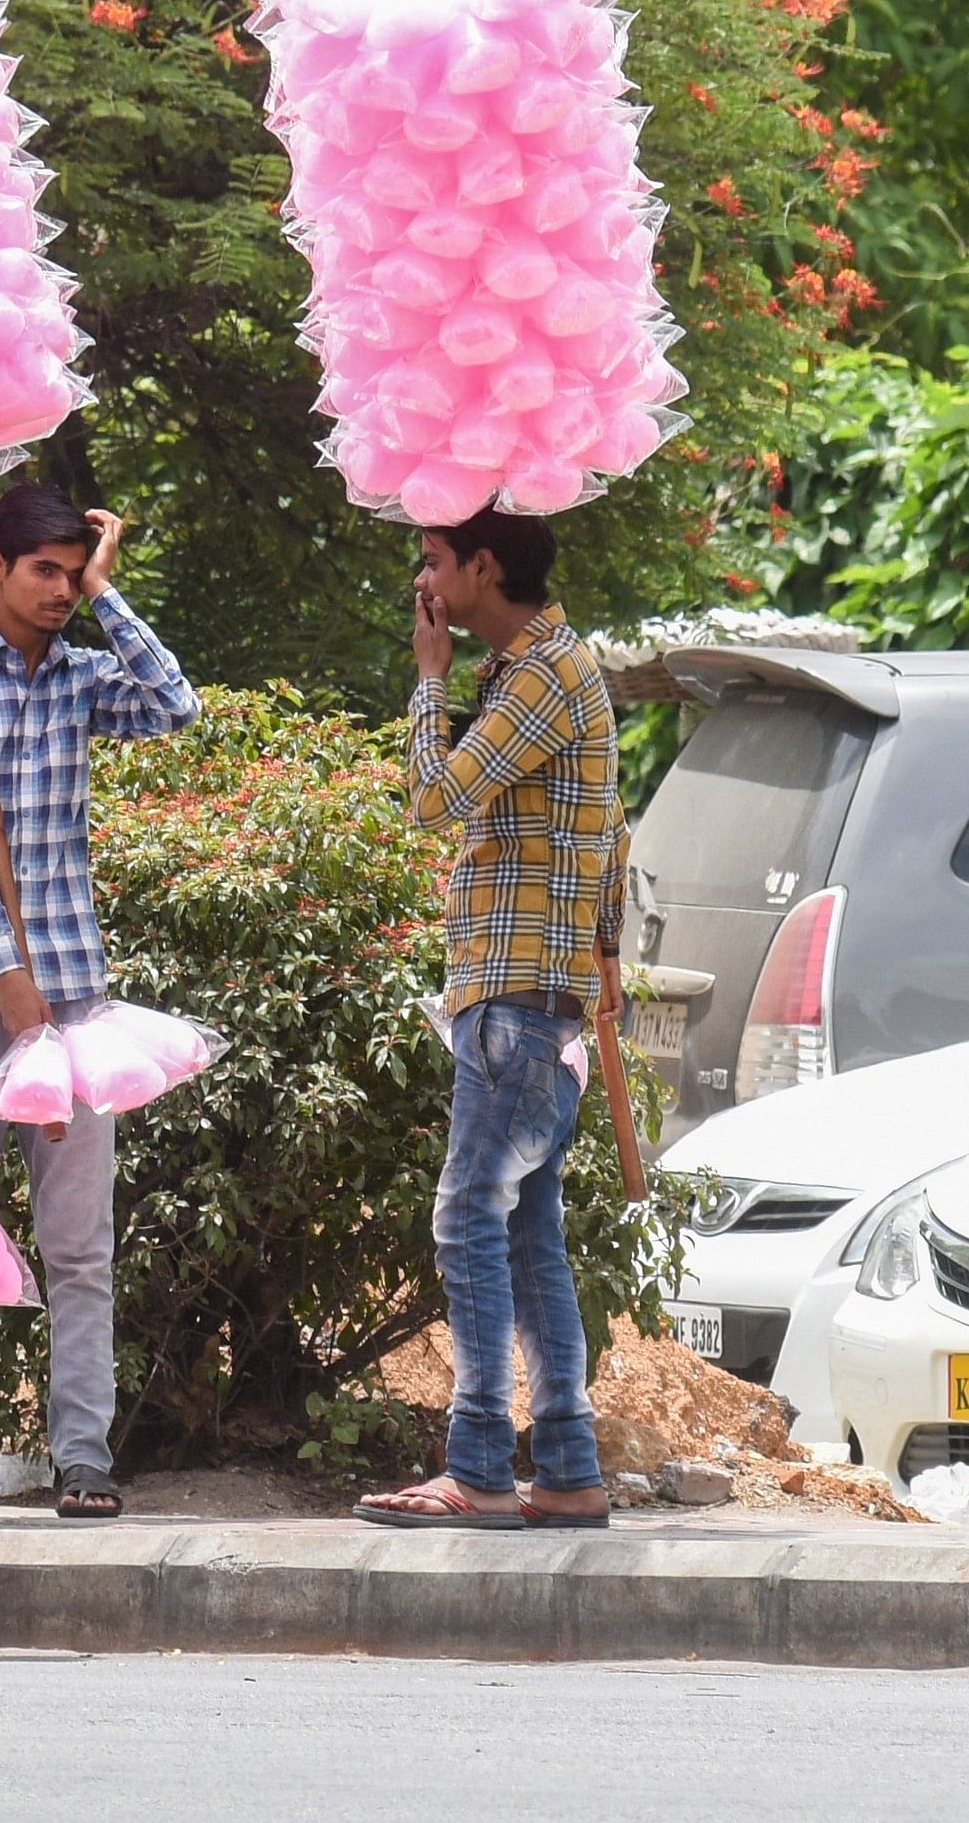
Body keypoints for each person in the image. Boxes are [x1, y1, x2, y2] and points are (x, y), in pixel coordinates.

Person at [0, 486, 197, 1523]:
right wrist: (4, 967)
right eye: (47, 572)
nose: (61, 590)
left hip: (71, 999)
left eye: (75, 571)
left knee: (76, 1242)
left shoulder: (84, 678)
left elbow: (176, 708)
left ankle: (82, 1455)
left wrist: (113, 596)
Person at [354, 508, 621, 1532]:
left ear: (482, 565)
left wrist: (427, 674)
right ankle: (566, 1467)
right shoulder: (538, 668)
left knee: (468, 1217)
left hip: (515, 1002)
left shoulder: (542, 673)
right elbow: (607, 839)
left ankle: (475, 1463)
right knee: (530, 1241)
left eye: (432, 559)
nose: (422, 579)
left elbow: (433, 798)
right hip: (528, 999)